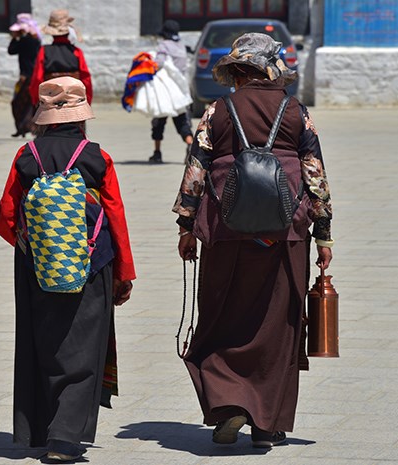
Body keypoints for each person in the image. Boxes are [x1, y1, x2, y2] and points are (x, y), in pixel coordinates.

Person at [173, 33, 334, 448]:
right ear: (270, 68)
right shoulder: (296, 112)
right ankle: (267, 425)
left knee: (223, 316)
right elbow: (314, 173)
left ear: (240, 71)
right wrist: (323, 234)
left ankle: (230, 406)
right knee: (278, 324)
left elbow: (196, 168)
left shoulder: (218, 110)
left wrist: (187, 226)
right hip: (284, 234)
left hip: (226, 231)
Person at [0, 77, 135, 462]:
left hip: (35, 265)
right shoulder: (96, 157)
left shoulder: (26, 156)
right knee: (84, 346)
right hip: (92, 263)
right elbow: (115, 216)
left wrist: (41, 250)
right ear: (81, 118)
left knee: (41, 342)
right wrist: (123, 271)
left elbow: (7, 218)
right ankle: (65, 438)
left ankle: (37, 429)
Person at [149, 20, 193, 164]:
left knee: (158, 120)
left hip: (165, 90)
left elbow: (159, 63)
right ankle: (190, 144)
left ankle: (157, 152)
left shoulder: (163, 45)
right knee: (182, 121)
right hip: (180, 91)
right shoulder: (181, 46)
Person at [28, 10, 92, 107]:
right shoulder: (77, 52)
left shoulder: (43, 52)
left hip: (51, 105)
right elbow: (86, 80)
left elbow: (37, 79)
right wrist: (87, 101)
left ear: (52, 33)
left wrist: (36, 100)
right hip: (74, 105)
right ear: (68, 32)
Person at [8, 13, 42, 138]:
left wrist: (15, 38)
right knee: (32, 103)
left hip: (25, 76)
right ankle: (31, 127)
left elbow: (11, 50)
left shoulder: (24, 41)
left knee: (17, 102)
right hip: (35, 76)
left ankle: (23, 127)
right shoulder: (36, 41)